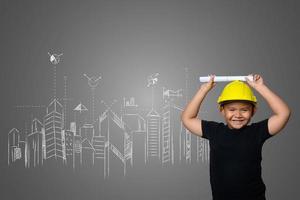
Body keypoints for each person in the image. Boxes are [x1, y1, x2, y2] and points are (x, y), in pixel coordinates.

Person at [181, 74, 291, 200]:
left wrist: (260, 87)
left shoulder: (257, 132)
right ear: (222, 110)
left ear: (253, 111)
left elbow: (283, 113)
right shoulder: (215, 131)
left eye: (244, 110)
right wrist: (204, 89)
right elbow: (187, 118)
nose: (237, 115)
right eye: (231, 109)